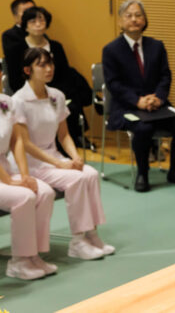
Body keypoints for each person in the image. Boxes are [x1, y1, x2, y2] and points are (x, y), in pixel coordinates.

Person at [15, 47, 114, 260]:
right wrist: (59, 164)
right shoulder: (18, 101)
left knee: (90, 174)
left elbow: (64, 135)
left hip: (55, 158)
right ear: (28, 70)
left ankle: (92, 234)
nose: (48, 69)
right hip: (32, 163)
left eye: (50, 63)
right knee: (76, 179)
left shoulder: (57, 95)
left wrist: (74, 156)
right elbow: (25, 143)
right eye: (42, 65)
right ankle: (77, 241)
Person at [101, 0, 175, 192]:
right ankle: (143, 173)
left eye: (138, 15)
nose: (134, 19)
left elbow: (165, 76)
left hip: (157, 105)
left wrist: (158, 97)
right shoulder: (111, 50)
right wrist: (137, 101)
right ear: (120, 21)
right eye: (129, 15)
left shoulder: (156, 46)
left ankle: (174, 170)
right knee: (143, 128)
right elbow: (113, 84)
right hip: (127, 107)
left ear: (144, 20)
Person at [1, 89, 57, 279]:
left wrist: (25, 176)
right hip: (3, 176)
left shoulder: (7, 102)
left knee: (45, 192)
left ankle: (33, 255)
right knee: (24, 197)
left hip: (6, 169)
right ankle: (18, 262)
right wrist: (9, 181)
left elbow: (17, 140)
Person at [18, 6, 93, 149]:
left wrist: (56, 92)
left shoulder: (56, 46)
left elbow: (64, 73)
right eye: (33, 21)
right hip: (31, 90)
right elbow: (16, 77)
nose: (38, 24)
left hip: (55, 89)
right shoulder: (19, 48)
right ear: (25, 26)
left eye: (41, 21)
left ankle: (70, 140)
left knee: (70, 104)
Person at [2, 0, 34, 90]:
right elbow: (15, 67)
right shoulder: (10, 35)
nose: (31, 15)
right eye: (26, 12)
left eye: (33, 10)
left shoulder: (42, 35)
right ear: (15, 16)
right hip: (23, 85)